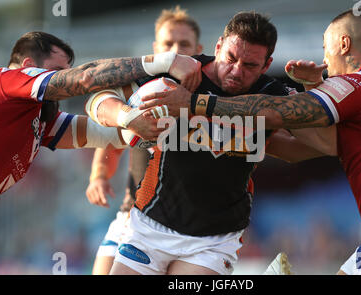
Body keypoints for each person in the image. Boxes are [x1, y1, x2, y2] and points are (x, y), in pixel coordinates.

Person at [142, 9, 361, 275]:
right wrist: (310, 86)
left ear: (343, 45)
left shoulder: (357, 83)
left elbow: (277, 112)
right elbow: (331, 141)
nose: (325, 59)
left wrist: (196, 102)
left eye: (326, 47)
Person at [87, 11, 325, 275]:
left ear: (266, 65)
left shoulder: (271, 94)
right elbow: (99, 101)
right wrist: (128, 118)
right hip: (150, 225)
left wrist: (314, 88)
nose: (236, 71)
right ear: (218, 46)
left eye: (250, 66)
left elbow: (314, 144)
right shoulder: (180, 74)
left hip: (214, 239)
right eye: (231, 58)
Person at [0, 30, 201, 207]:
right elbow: (85, 78)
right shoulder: (6, 81)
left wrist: (162, 122)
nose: (63, 79)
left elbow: (106, 134)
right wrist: (166, 61)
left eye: (65, 72)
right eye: (57, 72)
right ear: (27, 67)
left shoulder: (38, 119)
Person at [88, 6, 204, 275]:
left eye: (184, 44)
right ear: (156, 47)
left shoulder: (210, 94)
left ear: (198, 47)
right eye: (168, 43)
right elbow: (112, 132)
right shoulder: (141, 89)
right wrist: (99, 174)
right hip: (134, 215)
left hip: (192, 228)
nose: (176, 49)